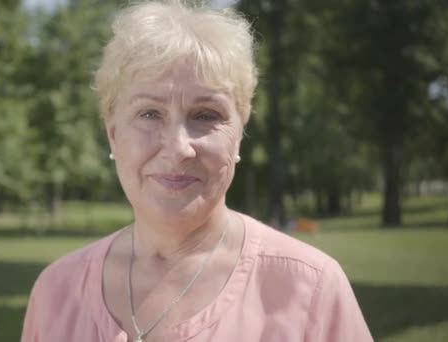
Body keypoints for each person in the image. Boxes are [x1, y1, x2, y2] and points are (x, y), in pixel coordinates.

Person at [21, 1, 373, 341]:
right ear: (113, 135)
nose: (178, 149)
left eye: (205, 115)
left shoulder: (310, 288)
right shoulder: (56, 293)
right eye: (149, 114)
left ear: (239, 134)